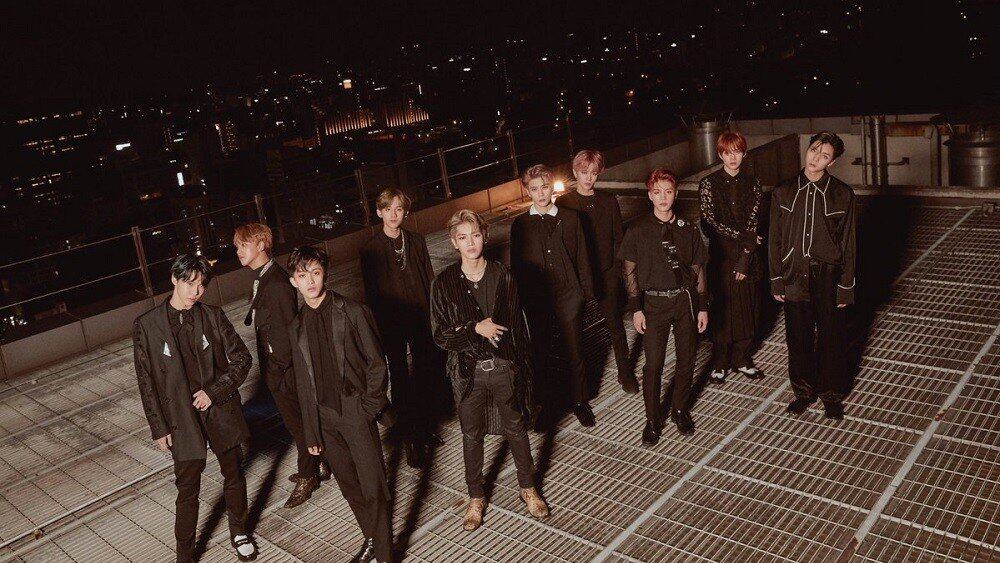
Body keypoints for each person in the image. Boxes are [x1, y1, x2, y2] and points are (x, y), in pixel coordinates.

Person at [133, 254, 257, 562]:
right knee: (187, 488)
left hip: (219, 410)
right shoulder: (147, 325)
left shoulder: (212, 316)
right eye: (189, 284)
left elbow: (242, 359)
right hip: (181, 418)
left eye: (201, 285)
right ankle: (185, 555)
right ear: (174, 280)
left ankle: (240, 531)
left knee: (233, 473)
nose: (196, 292)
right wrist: (158, 427)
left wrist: (214, 392)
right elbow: (146, 381)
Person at [430, 210, 549, 531]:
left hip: (503, 368)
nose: (470, 243)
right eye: (463, 237)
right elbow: (440, 335)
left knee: (516, 428)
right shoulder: (443, 283)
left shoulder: (502, 275)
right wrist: (474, 328)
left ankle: (528, 488)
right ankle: (476, 497)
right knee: (472, 435)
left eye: (475, 235)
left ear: (484, 236)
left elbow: (519, 328)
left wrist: (520, 370)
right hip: (468, 373)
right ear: (454, 243)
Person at [286, 246, 394, 563]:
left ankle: (386, 556)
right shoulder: (296, 326)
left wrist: (369, 407)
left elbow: (377, 363)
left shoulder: (352, 311)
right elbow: (303, 384)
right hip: (324, 420)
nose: (310, 281)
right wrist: (311, 432)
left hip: (355, 411)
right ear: (293, 281)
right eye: (302, 275)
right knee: (349, 485)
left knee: (374, 486)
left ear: (325, 274)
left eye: (315, 273)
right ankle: (372, 538)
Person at [235, 223, 329, 508]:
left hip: (285, 371)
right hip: (278, 369)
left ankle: (309, 476)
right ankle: (320, 463)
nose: (238, 251)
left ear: (261, 245)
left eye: (243, 245)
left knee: (299, 426)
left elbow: (289, 333)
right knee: (298, 424)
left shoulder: (276, 283)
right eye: (238, 246)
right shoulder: (265, 277)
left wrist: (276, 371)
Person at [768, 131, 857, 420]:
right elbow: (774, 240)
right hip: (793, 273)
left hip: (828, 275)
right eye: (815, 150)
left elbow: (848, 243)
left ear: (832, 162)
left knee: (831, 337)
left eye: (825, 155)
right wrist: (776, 279)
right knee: (798, 337)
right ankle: (804, 392)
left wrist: (846, 286)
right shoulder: (782, 191)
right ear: (808, 149)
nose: (816, 158)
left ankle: (831, 395)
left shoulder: (843, 194)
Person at [619, 169, 709, 444]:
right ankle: (652, 419)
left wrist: (702, 306)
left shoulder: (687, 227)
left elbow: (698, 268)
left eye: (668, 192)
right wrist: (636, 308)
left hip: (684, 301)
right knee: (654, 364)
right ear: (649, 195)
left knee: (687, 358)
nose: (663, 198)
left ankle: (679, 409)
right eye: (657, 192)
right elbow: (629, 271)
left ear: (676, 193)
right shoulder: (637, 230)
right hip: (654, 303)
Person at [359, 188, 443, 468]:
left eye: (399, 209)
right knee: (399, 378)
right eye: (388, 209)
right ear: (379, 212)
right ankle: (410, 438)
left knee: (425, 372)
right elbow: (372, 295)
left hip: (420, 317)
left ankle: (426, 427)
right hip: (392, 324)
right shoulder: (370, 249)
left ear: (405, 212)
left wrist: (435, 315)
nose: (393, 215)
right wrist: (377, 331)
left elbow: (429, 280)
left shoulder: (416, 240)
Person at [509, 164, 597, 427]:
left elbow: (582, 257)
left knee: (574, 350)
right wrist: (520, 301)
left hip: (569, 295)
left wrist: (584, 294)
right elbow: (517, 267)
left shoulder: (571, 218)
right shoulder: (520, 224)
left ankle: (580, 401)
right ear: (527, 191)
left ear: (551, 188)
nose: (540, 193)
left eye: (544, 187)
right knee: (541, 351)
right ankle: (546, 403)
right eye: (534, 189)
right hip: (538, 299)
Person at [558, 150, 637, 394]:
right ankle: (579, 384)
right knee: (575, 333)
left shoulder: (608, 200)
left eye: (593, 173)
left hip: (605, 274)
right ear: (575, 172)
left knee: (616, 327)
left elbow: (618, 239)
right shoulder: (564, 204)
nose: (589, 178)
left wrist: (616, 273)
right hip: (578, 278)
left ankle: (625, 373)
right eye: (584, 172)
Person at [698, 132, 765, 384]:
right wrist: (746, 237)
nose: (732, 157)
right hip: (721, 255)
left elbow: (754, 220)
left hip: (747, 254)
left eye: (737, 152)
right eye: (727, 152)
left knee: (748, 306)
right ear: (720, 155)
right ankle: (720, 361)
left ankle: (742, 359)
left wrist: (746, 255)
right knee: (722, 308)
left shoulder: (753, 182)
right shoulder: (708, 183)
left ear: (744, 154)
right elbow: (710, 222)